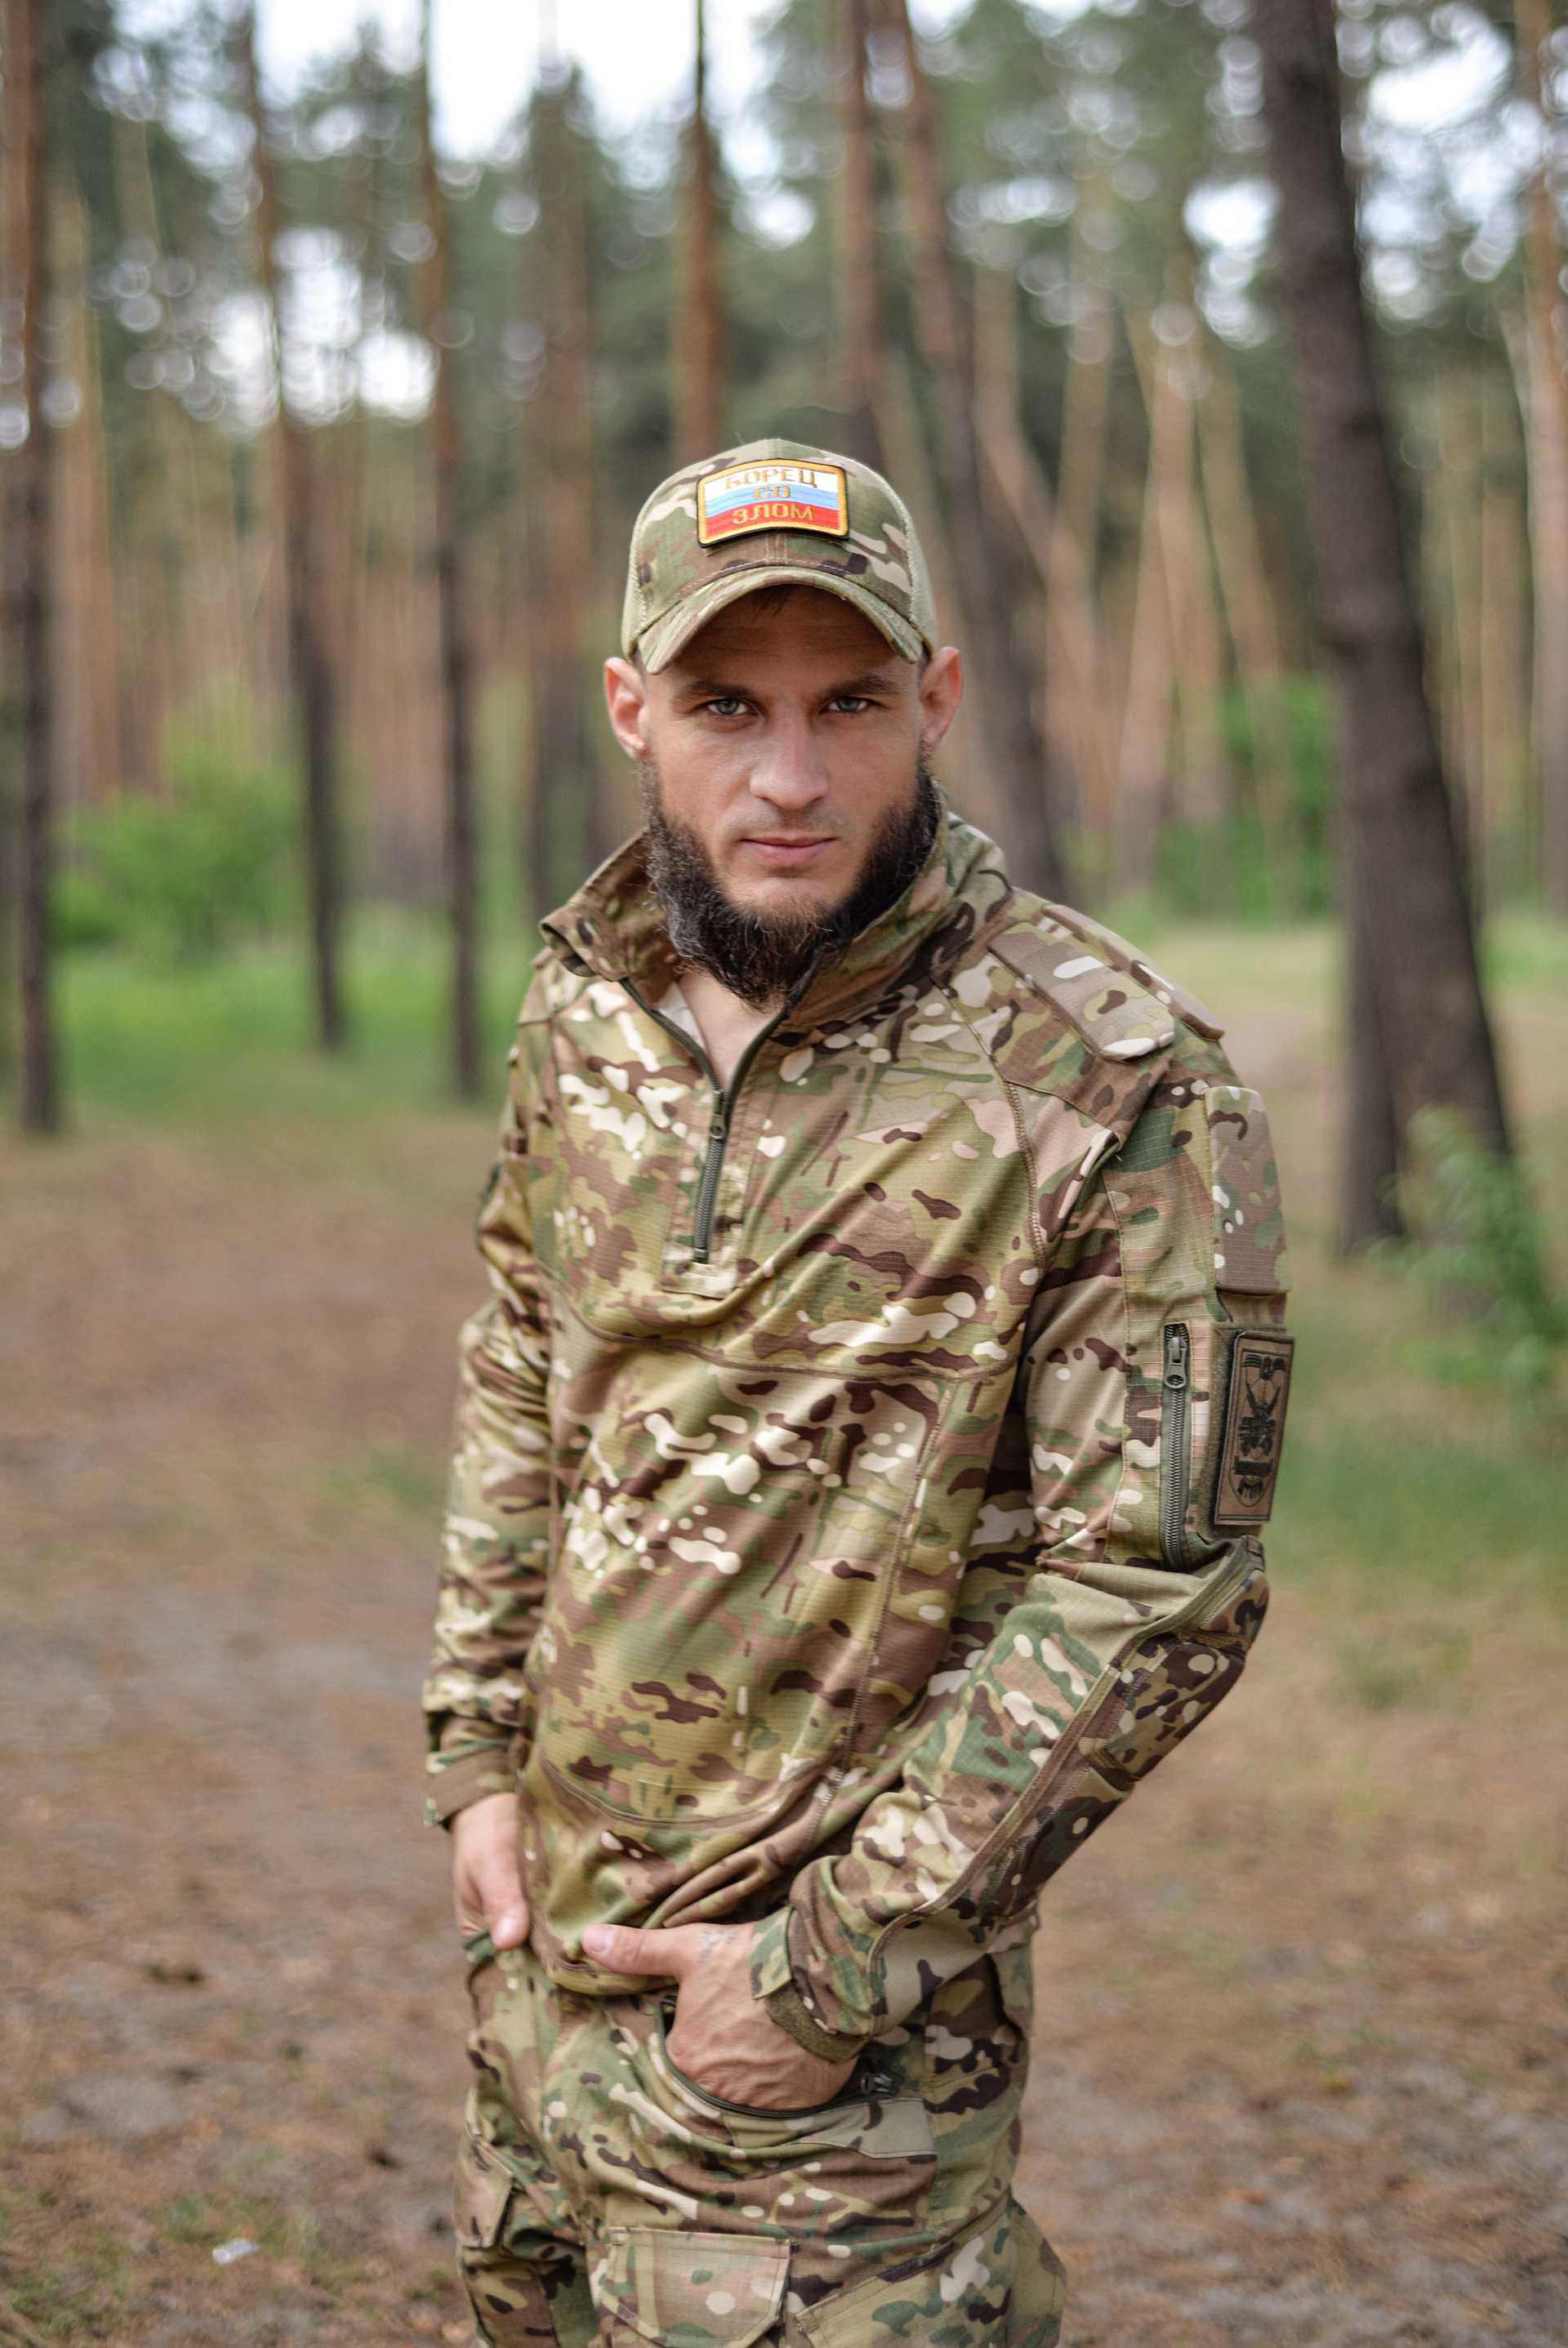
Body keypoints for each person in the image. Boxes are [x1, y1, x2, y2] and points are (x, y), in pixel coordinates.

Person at [423, 439, 1292, 2348]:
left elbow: (1160, 1584)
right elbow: (527, 1351)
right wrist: (473, 1750)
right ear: (631, 710)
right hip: (541, 1977)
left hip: (833, 2074)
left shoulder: (1111, 1084)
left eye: (850, 704)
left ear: (939, 699)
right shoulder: (589, 998)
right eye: (728, 706)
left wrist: (827, 1971)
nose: (792, 778)